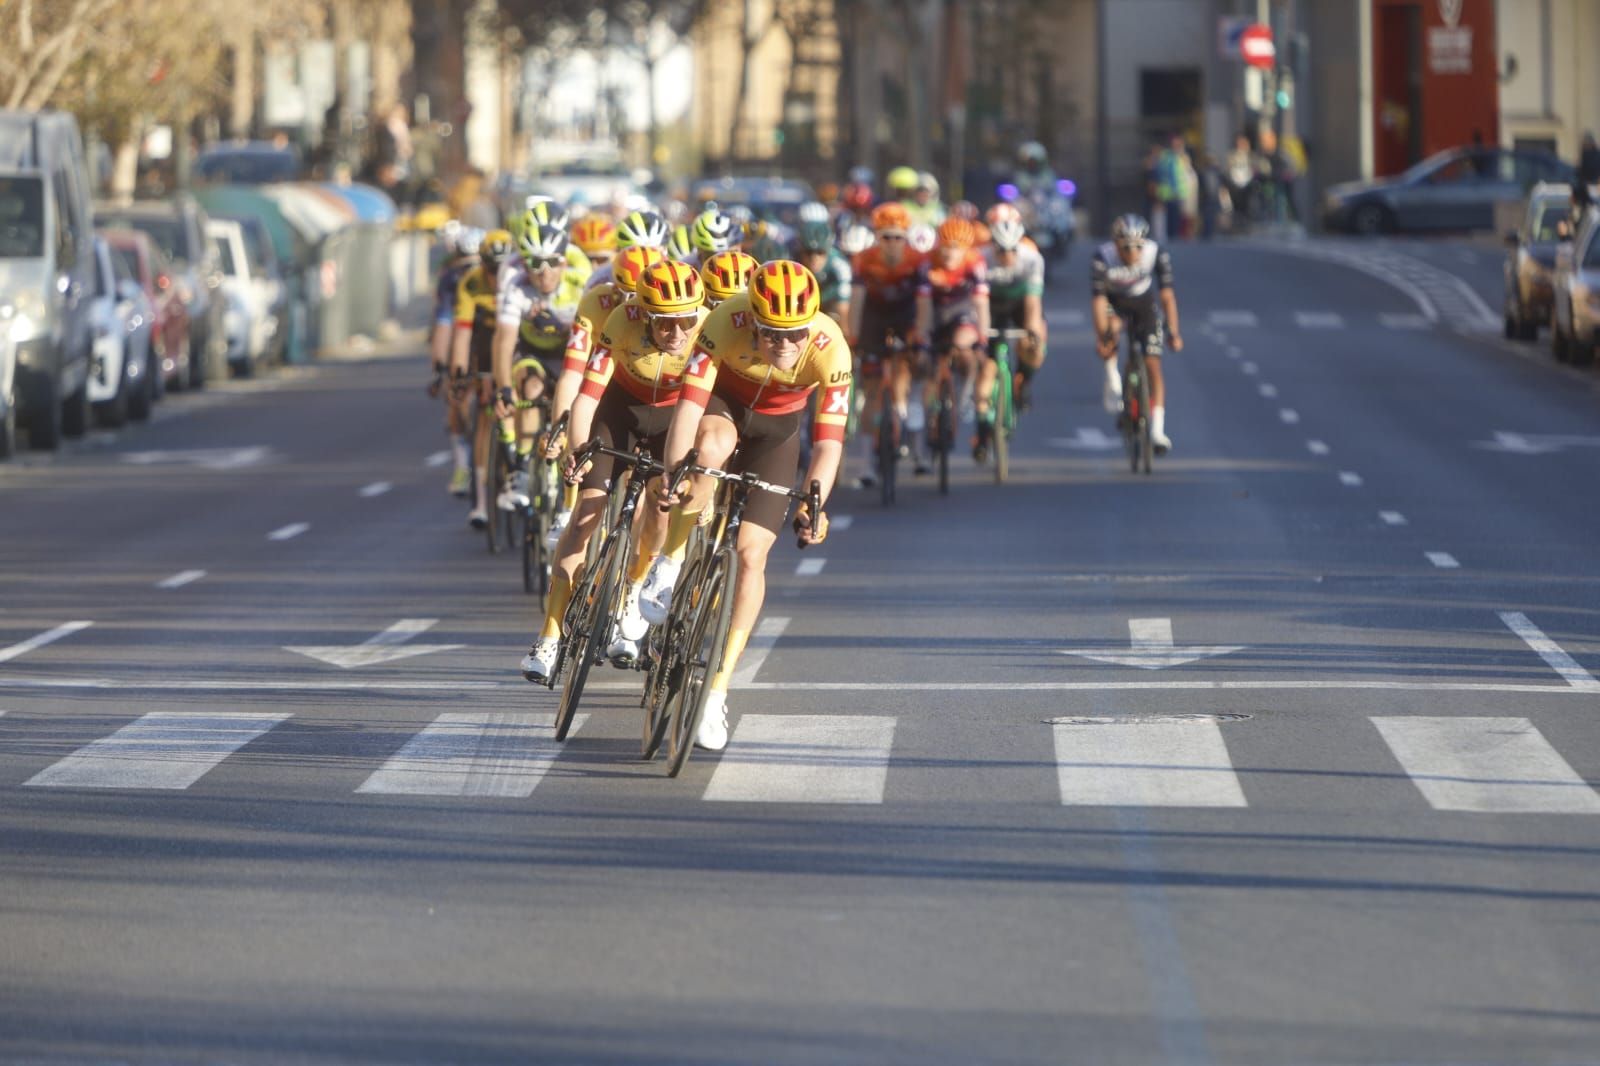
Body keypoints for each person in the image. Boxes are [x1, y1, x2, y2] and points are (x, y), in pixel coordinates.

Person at [651, 262, 849, 750]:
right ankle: (670, 560)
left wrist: (816, 503)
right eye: (770, 333)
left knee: (752, 555)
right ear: (751, 320)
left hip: (778, 432)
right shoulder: (723, 322)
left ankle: (717, 688)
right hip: (723, 408)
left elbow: (828, 443)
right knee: (712, 450)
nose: (783, 345)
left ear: (811, 326)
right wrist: (675, 469)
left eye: (793, 335)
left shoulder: (831, 348)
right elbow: (690, 407)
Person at [520, 260, 709, 680]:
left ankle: (634, 588)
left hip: (674, 422)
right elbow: (587, 396)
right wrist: (577, 450)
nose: (676, 333)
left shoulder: (707, 332)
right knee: (587, 512)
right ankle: (550, 635)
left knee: (660, 508)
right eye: (664, 324)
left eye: (685, 321)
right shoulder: (621, 321)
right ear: (643, 314)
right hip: (618, 414)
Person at [847, 202, 929, 486]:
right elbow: (856, 301)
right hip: (874, 316)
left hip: (905, 315)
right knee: (871, 389)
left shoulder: (918, 261)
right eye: (886, 237)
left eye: (898, 237)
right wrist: (853, 335)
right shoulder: (864, 259)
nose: (892, 243)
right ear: (877, 237)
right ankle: (867, 464)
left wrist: (920, 334)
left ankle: (911, 435)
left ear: (906, 238)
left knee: (907, 374)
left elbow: (923, 302)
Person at [1092, 214, 1182, 454]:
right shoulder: (1103, 257)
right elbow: (1099, 301)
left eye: (1137, 248)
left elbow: (1167, 296)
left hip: (1143, 304)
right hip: (1115, 302)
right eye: (1126, 248)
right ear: (1116, 245)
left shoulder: (1156, 253)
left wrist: (1173, 330)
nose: (1132, 253)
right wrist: (1103, 337)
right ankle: (1112, 377)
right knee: (1112, 329)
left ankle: (1157, 431)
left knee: (1153, 364)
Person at [916, 218, 991, 462]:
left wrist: (982, 336)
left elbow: (981, 302)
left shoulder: (975, 262)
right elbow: (924, 306)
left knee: (964, 345)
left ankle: (966, 392)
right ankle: (930, 416)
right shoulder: (928, 263)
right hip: (935, 311)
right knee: (929, 366)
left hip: (962, 310)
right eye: (946, 246)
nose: (950, 253)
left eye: (956, 248)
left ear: (966, 249)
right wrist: (923, 337)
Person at [429, 223, 482, 497]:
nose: (470, 270)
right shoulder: (450, 279)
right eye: (465, 264)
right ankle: (462, 466)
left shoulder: (497, 275)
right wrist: (441, 368)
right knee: (455, 394)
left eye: (476, 264)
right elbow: (443, 325)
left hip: (487, 335)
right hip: (460, 332)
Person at [982, 203, 1047, 409]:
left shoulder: (1031, 254)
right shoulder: (981, 253)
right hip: (991, 302)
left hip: (1021, 300)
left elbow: (1033, 300)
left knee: (1035, 340)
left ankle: (1023, 379)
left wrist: (1032, 330)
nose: (1007, 253)